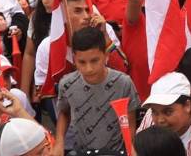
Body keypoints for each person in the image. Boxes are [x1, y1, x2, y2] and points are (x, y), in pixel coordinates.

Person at [55, 26, 139, 155]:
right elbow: (64, 112)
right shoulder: (66, 84)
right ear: (74, 58)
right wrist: (59, 142)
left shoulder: (123, 83)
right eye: (82, 62)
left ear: (106, 55)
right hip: (82, 151)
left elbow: (130, 121)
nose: (89, 68)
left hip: (116, 152)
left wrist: (130, 148)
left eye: (94, 61)